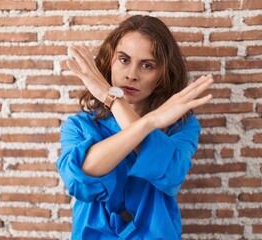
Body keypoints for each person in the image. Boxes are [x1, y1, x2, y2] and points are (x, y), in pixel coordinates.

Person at [56, 15, 213, 239]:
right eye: (124, 60)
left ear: (163, 74)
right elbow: (80, 179)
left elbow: (171, 175)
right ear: (110, 60)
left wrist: (113, 99)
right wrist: (149, 123)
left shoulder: (182, 125)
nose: (132, 75)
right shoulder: (79, 125)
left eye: (147, 65)